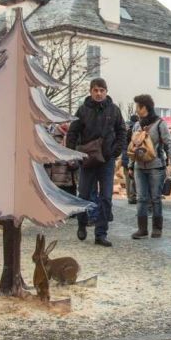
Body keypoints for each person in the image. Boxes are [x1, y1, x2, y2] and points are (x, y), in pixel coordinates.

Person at [65, 78, 126, 248]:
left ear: (106, 91)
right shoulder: (83, 110)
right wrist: (72, 154)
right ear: (91, 91)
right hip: (88, 159)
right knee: (83, 195)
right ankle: (82, 223)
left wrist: (116, 150)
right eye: (95, 90)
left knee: (106, 197)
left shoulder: (114, 110)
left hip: (107, 160)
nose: (99, 93)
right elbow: (72, 133)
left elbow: (122, 130)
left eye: (102, 90)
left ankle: (101, 233)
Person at [128, 94, 171, 239]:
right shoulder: (137, 125)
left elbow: (169, 143)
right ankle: (142, 229)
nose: (136, 109)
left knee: (156, 198)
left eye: (138, 106)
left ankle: (157, 229)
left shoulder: (159, 123)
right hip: (139, 166)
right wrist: (131, 165)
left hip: (156, 166)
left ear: (145, 107)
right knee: (141, 198)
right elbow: (133, 147)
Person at [123, 114, 138, 204]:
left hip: (125, 156)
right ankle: (132, 196)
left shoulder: (126, 130)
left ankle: (130, 196)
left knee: (128, 178)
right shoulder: (134, 131)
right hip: (131, 156)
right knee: (133, 178)